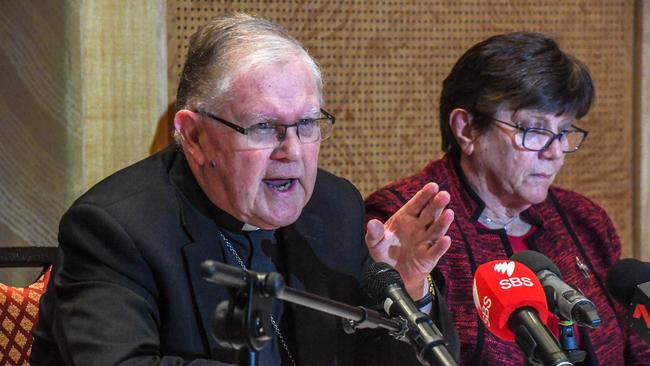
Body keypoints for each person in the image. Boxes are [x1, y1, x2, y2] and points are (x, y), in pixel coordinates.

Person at [31, 12, 458, 365]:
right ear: (194, 137)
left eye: (306, 124)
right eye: (263, 127)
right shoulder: (115, 230)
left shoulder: (333, 206)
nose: (291, 150)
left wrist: (406, 291)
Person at [365, 32, 650, 365]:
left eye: (563, 131)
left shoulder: (583, 219)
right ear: (467, 129)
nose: (555, 152)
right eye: (535, 129)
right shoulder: (406, 221)